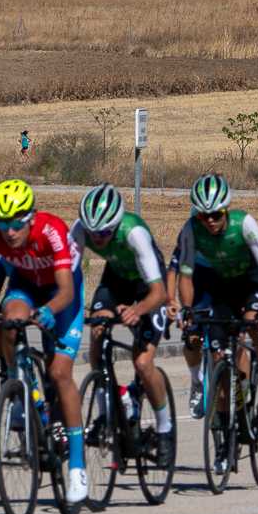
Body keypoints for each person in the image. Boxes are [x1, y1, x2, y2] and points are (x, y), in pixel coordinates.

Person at [0, 178, 87, 503]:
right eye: (3, 223)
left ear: (30, 218)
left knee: (59, 374)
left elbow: (66, 291)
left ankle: (77, 466)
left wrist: (48, 311)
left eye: (16, 224)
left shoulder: (52, 231)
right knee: (7, 318)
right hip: (25, 285)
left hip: (61, 291)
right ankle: (18, 383)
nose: (9, 231)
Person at [72, 183, 175, 446]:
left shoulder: (134, 233)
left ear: (116, 225)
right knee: (96, 338)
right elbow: (69, 277)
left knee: (142, 363)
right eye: (92, 232)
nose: (97, 239)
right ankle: (104, 417)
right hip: (116, 280)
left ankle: (164, 429)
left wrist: (137, 310)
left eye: (104, 233)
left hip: (147, 285)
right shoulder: (80, 229)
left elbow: (160, 293)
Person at [173, 173, 258, 417]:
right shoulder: (191, 229)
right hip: (220, 287)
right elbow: (186, 276)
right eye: (203, 216)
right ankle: (225, 438)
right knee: (216, 350)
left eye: (216, 215)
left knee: (256, 326)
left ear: (226, 210)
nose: (210, 221)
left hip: (249, 280)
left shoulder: (244, 224)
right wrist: (187, 309)